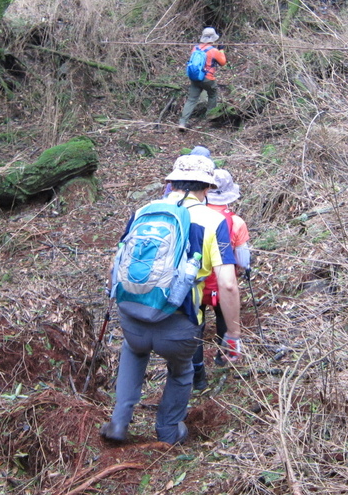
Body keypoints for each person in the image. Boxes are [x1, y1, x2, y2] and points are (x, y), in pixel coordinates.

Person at [101, 155, 242, 445]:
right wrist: (234, 334)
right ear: (207, 188)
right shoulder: (214, 221)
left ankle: (118, 422)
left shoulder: (144, 210)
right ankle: (168, 431)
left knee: (133, 350)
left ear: (172, 182)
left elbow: (115, 263)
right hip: (179, 323)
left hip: (133, 314)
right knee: (181, 371)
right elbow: (227, 285)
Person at [192, 169, 251, 391]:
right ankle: (223, 355)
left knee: (196, 327)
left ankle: (198, 377)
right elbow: (243, 260)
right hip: (221, 285)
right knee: (223, 317)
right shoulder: (236, 222)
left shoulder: (193, 217)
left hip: (194, 285)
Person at [179, 28, 227, 130]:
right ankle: (209, 119)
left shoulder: (195, 48)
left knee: (191, 99)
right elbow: (223, 62)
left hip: (194, 78)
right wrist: (221, 50)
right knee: (213, 93)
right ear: (213, 38)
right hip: (207, 78)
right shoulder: (214, 51)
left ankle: (182, 123)